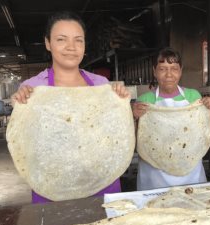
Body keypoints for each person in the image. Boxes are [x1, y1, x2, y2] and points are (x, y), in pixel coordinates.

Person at [11, 11, 130, 203]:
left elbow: (115, 134)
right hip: (52, 186)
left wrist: (121, 102)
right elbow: (27, 144)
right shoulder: (33, 88)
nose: (71, 47)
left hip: (102, 179)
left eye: (78, 40)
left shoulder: (101, 84)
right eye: (61, 39)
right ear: (48, 43)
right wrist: (19, 105)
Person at [132, 47, 210, 190]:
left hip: (190, 175)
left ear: (181, 71)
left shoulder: (194, 97)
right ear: (154, 71)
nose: (169, 74)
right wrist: (133, 118)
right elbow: (136, 143)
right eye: (162, 69)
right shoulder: (144, 100)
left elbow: (208, 137)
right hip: (155, 177)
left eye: (174, 68)